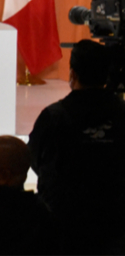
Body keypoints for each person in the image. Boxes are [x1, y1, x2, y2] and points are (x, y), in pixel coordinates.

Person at [28, 39, 125, 255]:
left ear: (73, 74)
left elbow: (35, 160)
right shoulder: (121, 115)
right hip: (115, 222)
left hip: (63, 223)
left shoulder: (53, 117)